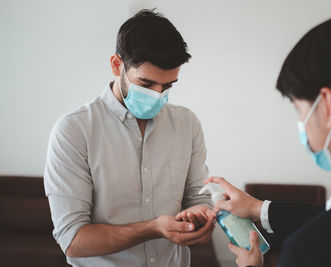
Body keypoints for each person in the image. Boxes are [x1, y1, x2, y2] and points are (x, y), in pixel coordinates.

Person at [206, 12, 331, 267]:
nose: (302, 124)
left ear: (328, 107)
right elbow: (329, 214)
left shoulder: (311, 249)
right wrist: (258, 209)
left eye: (300, 110)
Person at [44, 9, 215, 267]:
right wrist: (154, 228)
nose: (158, 95)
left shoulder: (187, 124)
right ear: (116, 65)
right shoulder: (74, 131)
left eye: (167, 87)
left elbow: (198, 199)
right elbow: (73, 240)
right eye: (146, 85)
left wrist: (203, 218)